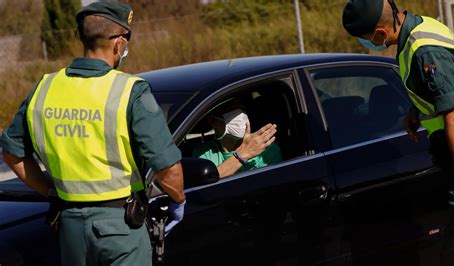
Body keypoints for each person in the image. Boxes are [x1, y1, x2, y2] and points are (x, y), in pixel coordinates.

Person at [0, 2, 185, 265]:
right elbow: (169, 169)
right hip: (121, 228)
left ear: (81, 38)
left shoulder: (44, 88)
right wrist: (179, 201)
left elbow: (11, 154)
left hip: (70, 226)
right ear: (119, 44)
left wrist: (52, 192)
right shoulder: (130, 90)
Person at [342, 0, 454, 264]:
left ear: (379, 34)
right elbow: (442, 91)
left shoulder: (424, 50)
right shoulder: (418, 28)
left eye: (365, 39)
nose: (367, 44)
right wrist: (418, 111)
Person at [192, 103, 283, 177]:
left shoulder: (266, 147)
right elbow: (206, 183)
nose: (240, 114)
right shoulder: (204, 153)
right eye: (229, 108)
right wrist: (244, 154)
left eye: (241, 108)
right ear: (213, 121)